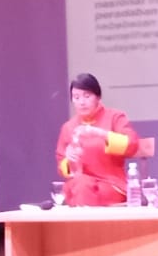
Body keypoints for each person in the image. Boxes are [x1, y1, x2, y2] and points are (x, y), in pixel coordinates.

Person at [54, 73, 140, 206]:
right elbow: (62, 166)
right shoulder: (68, 127)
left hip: (111, 184)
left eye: (87, 96)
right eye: (76, 97)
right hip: (79, 185)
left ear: (98, 97)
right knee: (81, 186)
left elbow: (132, 144)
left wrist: (101, 133)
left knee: (83, 191)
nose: (82, 102)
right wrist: (69, 160)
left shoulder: (115, 117)